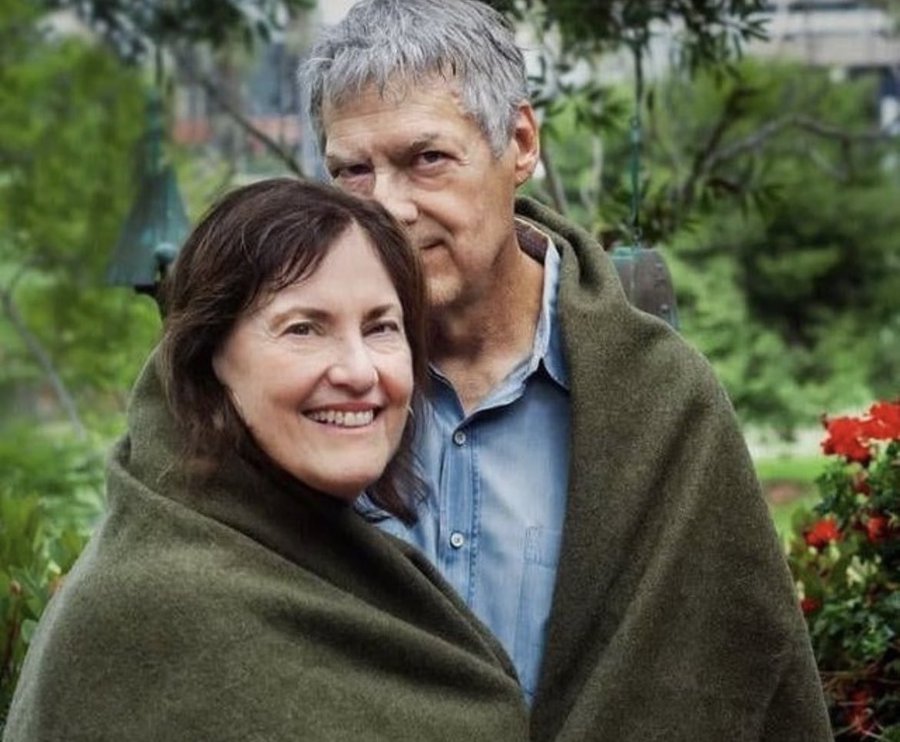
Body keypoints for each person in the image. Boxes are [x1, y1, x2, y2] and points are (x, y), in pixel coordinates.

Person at [302, 1, 833, 739]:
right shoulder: (290, 389)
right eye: (353, 171)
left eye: (426, 159)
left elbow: (733, 671)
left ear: (519, 143)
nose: (388, 206)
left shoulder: (662, 401)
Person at [3, 178, 529, 741]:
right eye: (304, 328)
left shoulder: (337, 553)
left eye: (381, 327)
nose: (358, 371)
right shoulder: (151, 607)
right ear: (210, 361)